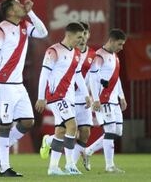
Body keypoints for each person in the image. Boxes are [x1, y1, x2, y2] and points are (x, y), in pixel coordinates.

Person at [0, 0, 48, 177]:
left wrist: (31, 12)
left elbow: (43, 32)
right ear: (11, 11)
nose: (22, 6)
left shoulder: (24, 26)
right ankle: (5, 168)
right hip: (3, 85)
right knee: (4, 126)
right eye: (18, 5)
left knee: (28, 122)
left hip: (18, 85)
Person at [35, 22, 91, 176]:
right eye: (79, 37)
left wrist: (86, 94)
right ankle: (70, 165)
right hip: (56, 96)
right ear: (69, 35)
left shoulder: (77, 53)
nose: (81, 40)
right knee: (72, 126)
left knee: (61, 131)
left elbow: (78, 75)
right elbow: (44, 74)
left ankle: (53, 167)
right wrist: (41, 97)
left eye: (83, 36)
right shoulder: (53, 51)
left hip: (69, 97)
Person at [84, 29, 127, 173]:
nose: (121, 47)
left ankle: (88, 151)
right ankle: (110, 166)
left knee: (118, 131)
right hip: (103, 100)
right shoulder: (99, 56)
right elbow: (93, 78)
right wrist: (95, 99)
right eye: (120, 44)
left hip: (114, 100)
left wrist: (122, 96)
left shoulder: (115, 56)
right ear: (112, 41)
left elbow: (116, 78)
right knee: (110, 131)